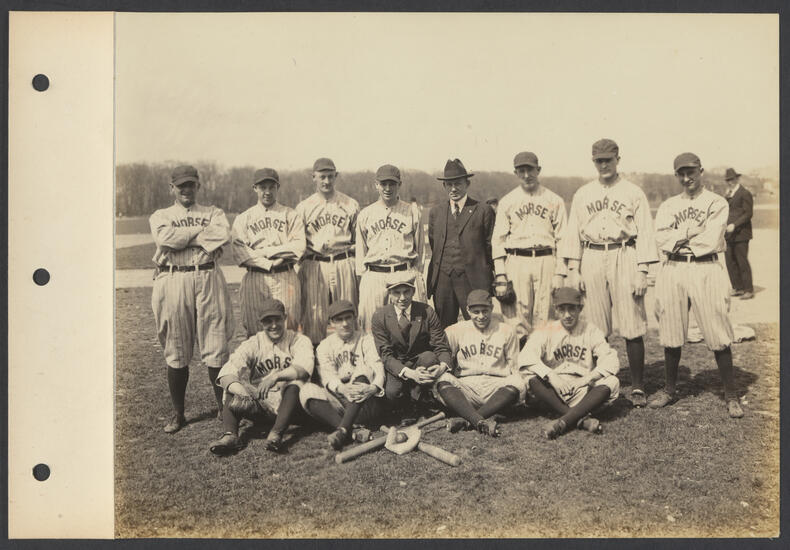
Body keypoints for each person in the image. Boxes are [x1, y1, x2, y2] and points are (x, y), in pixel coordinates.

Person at [560, 139, 658, 408]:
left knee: (632, 322)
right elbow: (573, 233)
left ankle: (637, 385)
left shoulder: (633, 192)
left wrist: (642, 271)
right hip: (591, 255)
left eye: (608, 160)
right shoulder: (583, 193)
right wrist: (574, 269)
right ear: (594, 162)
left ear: (617, 160)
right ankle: (598, 381)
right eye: (599, 161)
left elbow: (646, 232)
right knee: (596, 325)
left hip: (624, 253)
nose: (603, 165)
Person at [648, 153, 743, 418]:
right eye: (681, 173)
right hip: (673, 267)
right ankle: (669, 390)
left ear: (701, 171)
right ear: (676, 175)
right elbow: (662, 239)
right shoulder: (668, 205)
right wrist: (691, 232)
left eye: (691, 172)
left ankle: (731, 395)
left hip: (706, 267)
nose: (686, 178)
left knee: (717, 329)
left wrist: (679, 237)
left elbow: (711, 241)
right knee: (671, 328)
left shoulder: (716, 202)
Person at [149, 165, 234, 434]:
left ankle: (223, 408)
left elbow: (223, 235)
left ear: (198, 186)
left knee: (216, 344)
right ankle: (178, 413)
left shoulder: (213, 212)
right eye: (181, 185)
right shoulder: (161, 215)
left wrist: (182, 239)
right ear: (172, 188)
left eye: (191, 184)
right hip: (173, 278)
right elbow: (165, 238)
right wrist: (201, 237)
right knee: (176, 348)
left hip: (208, 276)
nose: (186, 189)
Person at [209, 299, 315, 455]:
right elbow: (227, 371)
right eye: (268, 321)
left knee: (295, 384)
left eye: (277, 319)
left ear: (285, 318)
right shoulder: (254, 342)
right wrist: (242, 392)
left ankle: (276, 434)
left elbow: (304, 369)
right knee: (233, 387)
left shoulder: (298, 339)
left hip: (292, 406)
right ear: (261, 323)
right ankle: (230, 435)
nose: (274, 325)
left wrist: (275, 377)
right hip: (262, 405)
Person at [519, 287, 621, 439]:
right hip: (553, 390)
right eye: (562, 309)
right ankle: (580, 420)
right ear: (556, 310)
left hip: (583, 390)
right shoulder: (546, 330)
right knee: (530, 377)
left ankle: (563, 421)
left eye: (572, 308)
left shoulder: (591, 330)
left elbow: (611, 360)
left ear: (580, 308)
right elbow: (525, 357)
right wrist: (552, 376)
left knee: (612, 381)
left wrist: (586, 379)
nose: (567, 315)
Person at [492, 151, 568, 340]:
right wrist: (500, 273)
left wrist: (560, 273)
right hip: (517, 260)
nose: (526, 175)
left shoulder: (555, 200)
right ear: (516, 173)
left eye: (530, 170)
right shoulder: (507, 201)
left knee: (546, 315)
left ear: (538, 170)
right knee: (516, 317)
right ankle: (520, 357)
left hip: (546, 259)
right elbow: (498, 240)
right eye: (521, 171)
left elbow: (563, 239)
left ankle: (543, 357)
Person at [434, 290, 525, 437]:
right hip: (466, 388)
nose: (481, 316)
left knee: (517, 381)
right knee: (442, 379)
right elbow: (445, 358)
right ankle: (478, 419)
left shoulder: (506, 330)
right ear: (468, 310)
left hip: (497, 388)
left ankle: (468, 420)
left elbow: (514, 366)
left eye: (485, 311)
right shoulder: (455, 330)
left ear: (492, 308)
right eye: (476, 312)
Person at [299, 300, 387, 449]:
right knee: (306, 390)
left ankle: (343, 429)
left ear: (354, 318)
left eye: (348, 318)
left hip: (365, 401)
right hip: (340, 399)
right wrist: (343, 389)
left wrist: (373, 388)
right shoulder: (324, 346)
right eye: (339, 320)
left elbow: (377, 367)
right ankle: (351, 430)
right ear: (331, 323)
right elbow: (327, 376)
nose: (345, 324)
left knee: (364, 369)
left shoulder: (366, 339)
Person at [231, 168, 306, 336]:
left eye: (271, 187)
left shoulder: (290, 215)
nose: (267, 192)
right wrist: (269, 263)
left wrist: (265, 251)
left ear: (277, 187)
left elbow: (299, 247)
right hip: (255, 276)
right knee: (255, 329)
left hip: (285, 276)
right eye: (262, 187)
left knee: (289, 328)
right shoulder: (244, 218)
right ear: (255, 188)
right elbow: (240, 253)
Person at [295, 158, 360, 345]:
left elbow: (359, 240)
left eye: (330, 176)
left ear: (336, 176)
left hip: (343, 260)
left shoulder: (350, 204)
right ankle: (316, 357)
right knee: (314, 315)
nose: (326, 181)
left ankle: (350, 354)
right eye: (322, 177)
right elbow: (298, 243)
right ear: (313, 177)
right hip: (315, 263)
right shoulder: (304, 207)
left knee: (347, 312)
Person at [356, 164, 426, 332]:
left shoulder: (412, 212)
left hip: (404, 273)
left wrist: (416, 275)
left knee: (411, 328)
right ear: (376, 185)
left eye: (392, 184)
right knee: (371, 327)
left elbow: (420, 251)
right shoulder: (365, 214)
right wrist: (365, 280)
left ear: (399, 185)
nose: (388, 188)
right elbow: (360, 253)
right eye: (383, 184)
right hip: (374, 275)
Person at [370, 274, 452, 416]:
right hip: (397, 366)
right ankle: (406, 407)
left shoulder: (426, 311)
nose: (402, 298)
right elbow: (385, 355)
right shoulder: (379, 316)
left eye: (406, 292)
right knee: (392, 393)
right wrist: (411, 374)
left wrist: (442, 367)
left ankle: (422, 400)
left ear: (413, 291)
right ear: (389, 294)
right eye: (397, 293)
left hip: (421, 363)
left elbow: (441, 345)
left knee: (429, 358)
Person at [427, 158, 495, 328]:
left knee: (477, 327)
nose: (453, 188)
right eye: (449, 184)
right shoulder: (436, 212)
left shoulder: (483, 210)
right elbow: (434, 244)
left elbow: (490, 247)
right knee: (444, 329)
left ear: (467, 184)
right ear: (444, 186)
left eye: (458, 183)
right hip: (443, 281)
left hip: (473, 281)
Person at [723, 167, 754, 300]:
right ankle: (738, 287)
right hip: (728, 234)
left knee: (742, 261)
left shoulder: (745, 193)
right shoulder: (727, 194)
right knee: (730, 261)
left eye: (732, 179)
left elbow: (748, 214)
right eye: (728, 180)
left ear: (737, 179)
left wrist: (734, 225)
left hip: (741, 233)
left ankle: (748, 290)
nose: (730, 182)